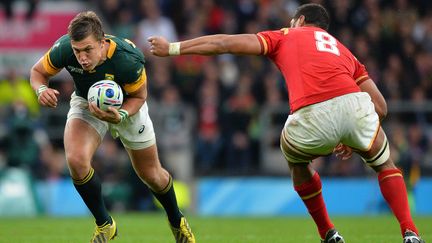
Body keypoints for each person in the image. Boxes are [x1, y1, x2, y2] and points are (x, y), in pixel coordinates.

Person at [148, 3, 425, 243]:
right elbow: (381, 107)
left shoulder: (285, 35)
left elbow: (225, 43)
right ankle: (410, 232)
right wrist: (352, 136)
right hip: (355, 105)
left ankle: (328, 232)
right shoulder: (344, 51)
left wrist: (173, 48)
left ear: (300, 21)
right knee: (384, 163)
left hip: (312, 112)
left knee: (296, 161)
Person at [30, 11, 195, 243]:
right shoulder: (65, 48)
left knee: (152, 175)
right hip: (87, 103)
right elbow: (38, 72)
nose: (82, 58)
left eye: (88, 50)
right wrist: (41, 90)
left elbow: (140, 96)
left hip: (128, 107)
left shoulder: (128, 58)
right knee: (76, 161)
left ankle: (177, 220)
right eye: (77, 51)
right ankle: (104, 223)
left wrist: (123, 114)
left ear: (102, 42)